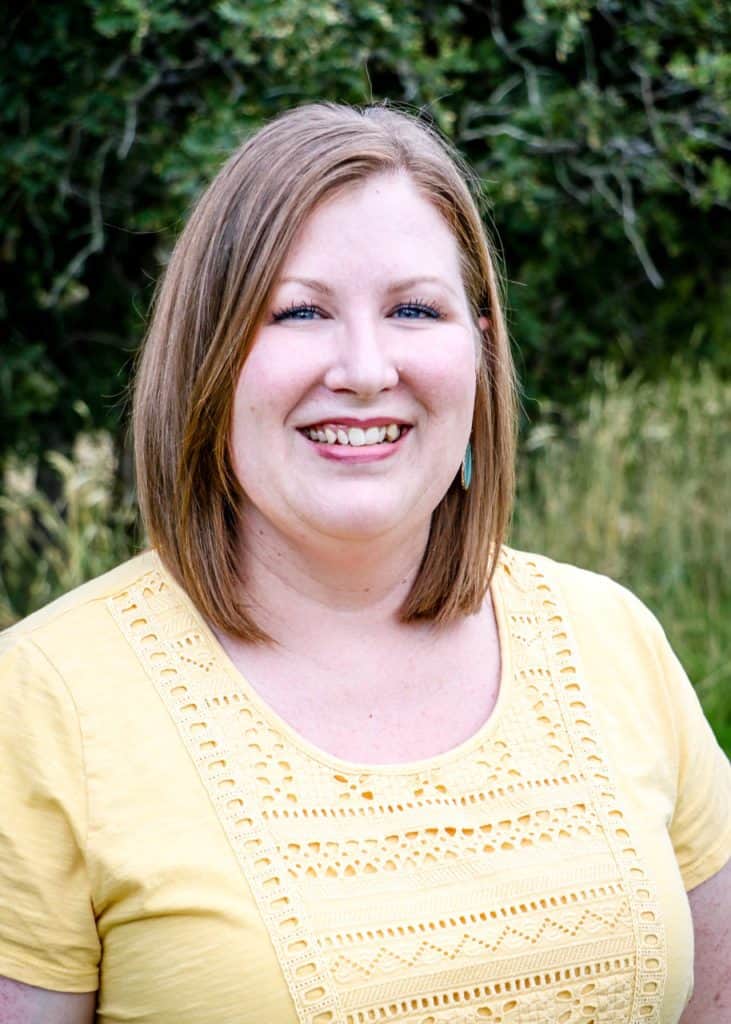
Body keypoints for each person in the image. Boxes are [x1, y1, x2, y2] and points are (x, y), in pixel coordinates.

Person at [0, 102, 729, 1024]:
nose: (365, 367)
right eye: (299, 311)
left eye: (414, 309)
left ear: (479, 350)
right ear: (208, 359)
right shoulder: (43, 700)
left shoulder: (610, 637)